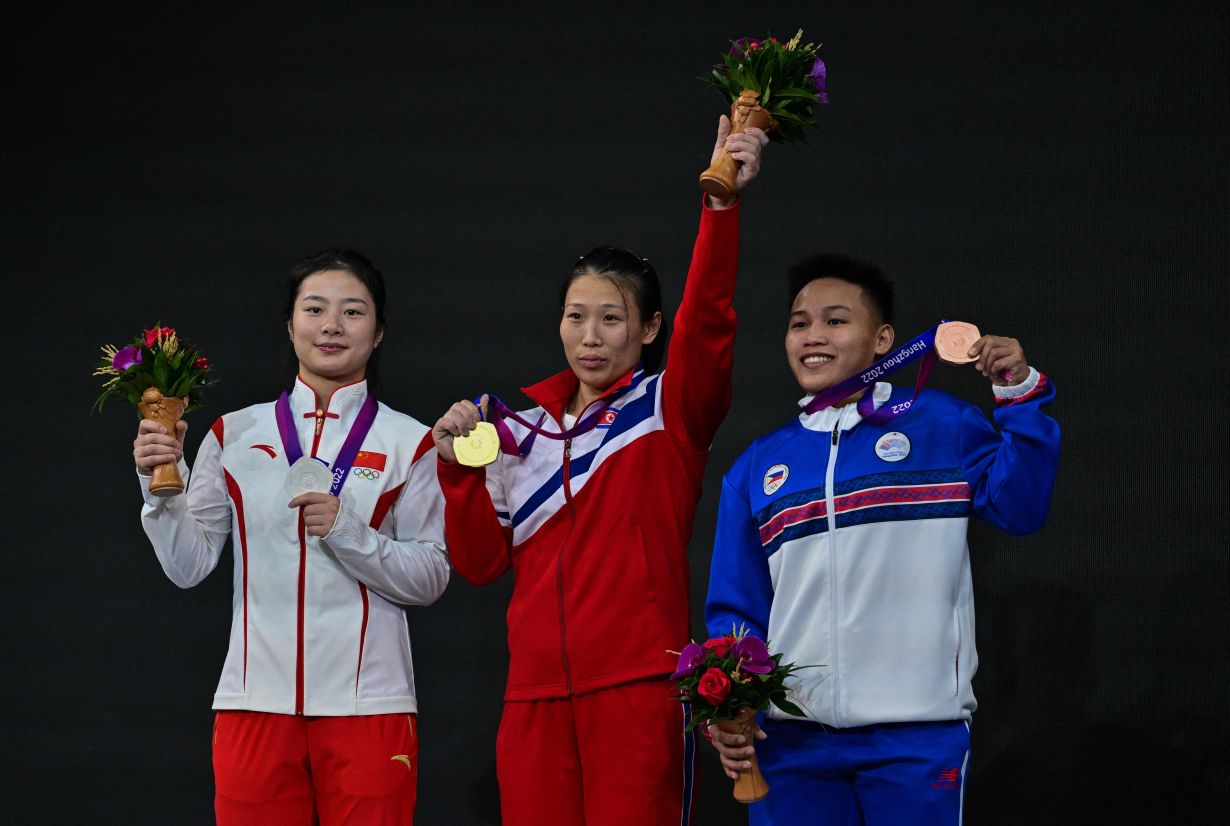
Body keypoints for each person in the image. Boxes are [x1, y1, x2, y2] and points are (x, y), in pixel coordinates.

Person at [431, 118, 768, 825]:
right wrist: (458, 469)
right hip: (532, 703)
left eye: (611, 319)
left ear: (647, 330)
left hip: (639, 690)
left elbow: (707, 320)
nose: (590, 336)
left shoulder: (668, 411)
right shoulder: (512, 432)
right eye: (576, 316)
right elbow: (481, 564)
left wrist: (722, 207)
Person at [704, 254, 1060, 825]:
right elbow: (737, 611)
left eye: (836, 320)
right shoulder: (756, 467)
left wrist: (1019, 393)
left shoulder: (943, 425)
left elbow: (1021, 508)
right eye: (800, 323)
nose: (813, 336)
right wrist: (728, 708)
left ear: (883, 338)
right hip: (791, 747)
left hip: (917, 738)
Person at [132, 249, 450, 825]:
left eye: (353, 312)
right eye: (315, 309)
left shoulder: (413, 441)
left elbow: (431, 577)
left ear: (378, 333)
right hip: (253, 703)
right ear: (290, 324)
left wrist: (350, 532)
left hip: (370, 707)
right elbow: (189, 565)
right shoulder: (234, 432)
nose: (331, 325)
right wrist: (158, 489)